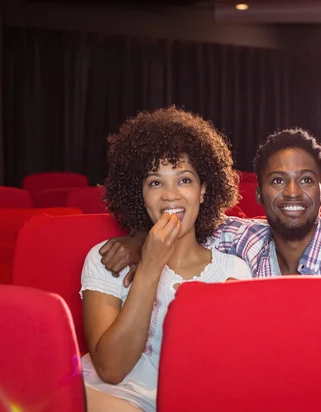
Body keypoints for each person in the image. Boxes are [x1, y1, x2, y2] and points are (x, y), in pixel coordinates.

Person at [80, 106, 253, 412]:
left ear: (203, 191)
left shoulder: (234, 269)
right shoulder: (108, 259)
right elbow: (111, 369)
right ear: (140, 195)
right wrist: (150, 265)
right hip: (113, 400)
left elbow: (228, 372)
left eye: (184, 180)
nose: (170, 195)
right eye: (155, 182)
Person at [100, 127, 321, 284]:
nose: (293, 193)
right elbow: (179, 216)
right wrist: (139, 240)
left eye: (306, 180)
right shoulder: (236, 240)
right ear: (258, 195)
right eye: (278, 181)